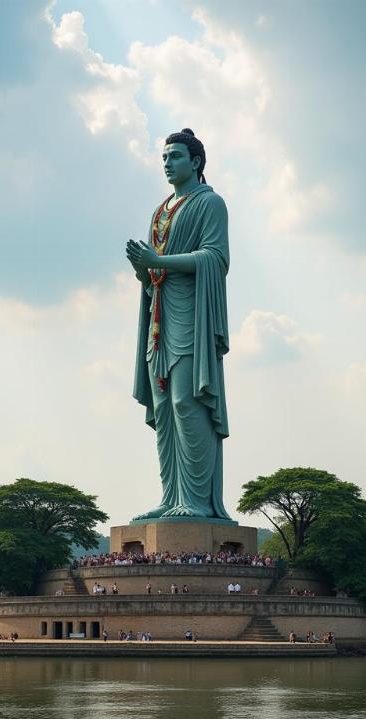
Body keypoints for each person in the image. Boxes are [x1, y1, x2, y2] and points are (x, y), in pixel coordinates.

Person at [127, 129, 232, 521]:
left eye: (175, 156)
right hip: (159, 320)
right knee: (164, 411)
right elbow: (153, 275)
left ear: (196, 162)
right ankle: (172, 496)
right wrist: (145, 267)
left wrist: (160, 261)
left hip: (191, 318)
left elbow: (214, 259)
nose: (168, 163)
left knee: (187, 403)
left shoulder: (210, 204)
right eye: (164, 157)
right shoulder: (159, 211)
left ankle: (197, 501)